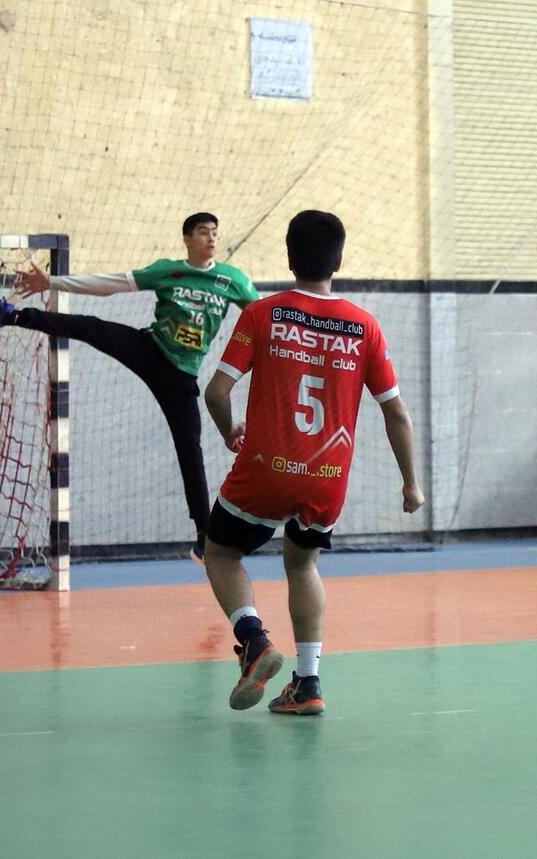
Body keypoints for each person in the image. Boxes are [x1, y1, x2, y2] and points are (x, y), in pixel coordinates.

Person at [201, 210, 424, 716]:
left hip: (265, 469)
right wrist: (411, 483)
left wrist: (229, 430)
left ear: (289, 257)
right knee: (302, 564)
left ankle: (254, 640)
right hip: (327, 477)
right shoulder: (364, 326)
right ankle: (307, 683)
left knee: (221, 552)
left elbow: (216, 393)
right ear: (338, 261)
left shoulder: (263, 314)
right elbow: (396, 412)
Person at [0, 214, 258, 562]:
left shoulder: (233, 280)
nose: (211, 238)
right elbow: (111, 284)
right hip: (150, 350)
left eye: (215, 233)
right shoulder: (168, 271)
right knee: (91, 327)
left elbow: (263, 317)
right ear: (187, 238)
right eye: (203, 232)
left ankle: (204, 537)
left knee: (190, 452)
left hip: (182, 376)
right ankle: (8, 315)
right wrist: (52, 282)